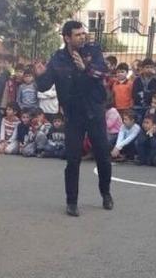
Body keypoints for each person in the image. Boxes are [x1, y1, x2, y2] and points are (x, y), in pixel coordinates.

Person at [34, 21, 113, 217]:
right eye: (77, 35)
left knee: (103, 156)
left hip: (94, 111)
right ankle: (72, 202)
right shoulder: (58, 59)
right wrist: (39, 75)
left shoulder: (93, 51)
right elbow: (44, 86)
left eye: (83, 33)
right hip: (73, 114)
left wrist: (85, 67)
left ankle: (106, 193)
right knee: (73, 159)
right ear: (67, 38)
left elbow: (103, 72)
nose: (82, 37)